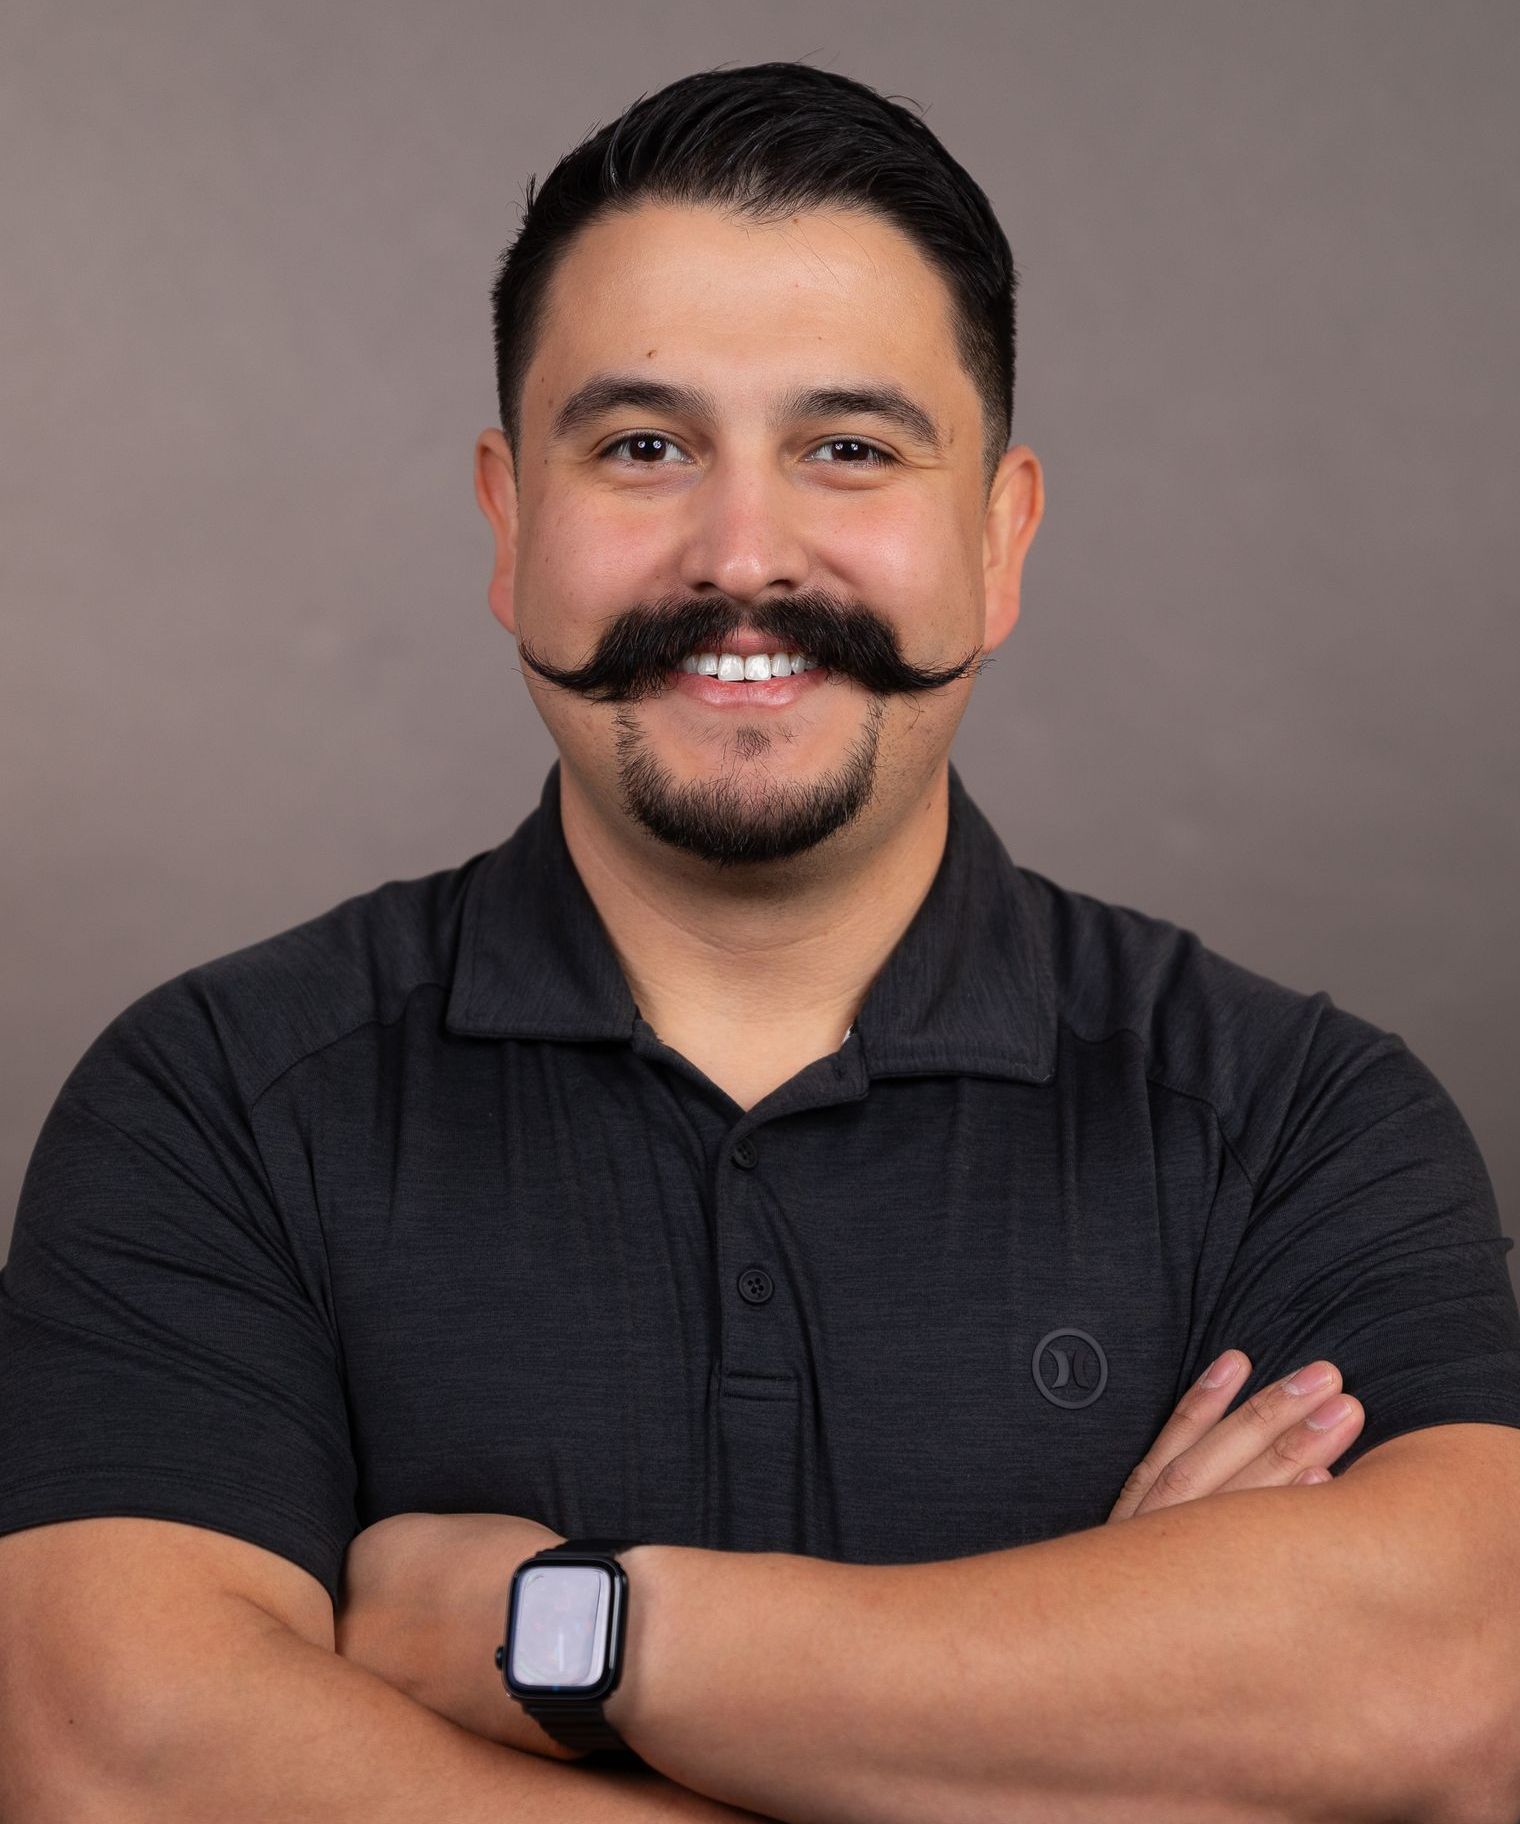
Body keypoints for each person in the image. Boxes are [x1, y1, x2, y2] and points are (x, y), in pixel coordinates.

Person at [4, 59, 1520, 1824]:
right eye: (643, 448)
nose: (743, 558)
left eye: (849, 450)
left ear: (1000, 534)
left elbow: (1463, 1694)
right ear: (510, 520)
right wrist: (1099, 1724)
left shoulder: (1296, 1124)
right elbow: (118, 1767)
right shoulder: (215, 1109)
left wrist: (561, 1633)